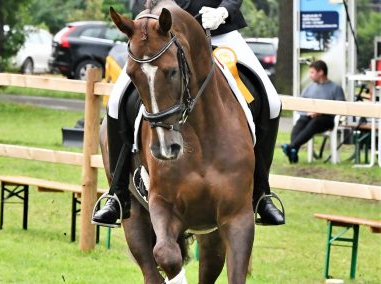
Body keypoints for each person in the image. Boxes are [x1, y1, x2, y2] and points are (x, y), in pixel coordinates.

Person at [92, 0, 285, 227]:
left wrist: (224, 11)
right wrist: (151, 15)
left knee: (272, 101)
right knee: (115, 103)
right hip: (161, 35)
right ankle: (118, 194)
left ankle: (261, 193)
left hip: (218, 32)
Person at [282, 60, 345, 163]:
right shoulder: (308, 89)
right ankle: (293, 151)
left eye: (312, 72)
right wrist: (308, 112)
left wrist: (321, 113)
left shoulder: (336, 88)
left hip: (327, 119)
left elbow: (341, 108)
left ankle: (291, 147)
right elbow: (301, 106)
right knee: (300, 123)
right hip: (309, 116)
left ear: (321, 72)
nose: (310, 75)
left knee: (315, 122)